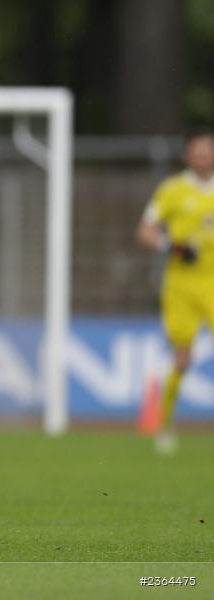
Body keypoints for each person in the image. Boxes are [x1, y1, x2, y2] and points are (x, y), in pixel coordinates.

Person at [136, 131, 214, 454]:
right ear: (188, 157)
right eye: (197, 153)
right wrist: (173, 246)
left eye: (208, 152)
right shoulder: (173, 189)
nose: (203, 158)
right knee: (183, 357)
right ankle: (166, 422)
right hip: (181, 284)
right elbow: (146, 230)